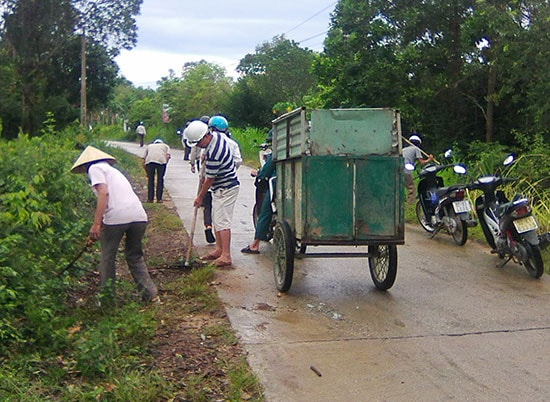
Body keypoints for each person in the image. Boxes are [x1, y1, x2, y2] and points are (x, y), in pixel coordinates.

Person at [70, 145, 159, 303]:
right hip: (138, 215)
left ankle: (107, 299)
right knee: (134, 256)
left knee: (108, 257)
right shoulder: (113, 171)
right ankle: (151, 295)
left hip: (117, 217)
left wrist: (97, 224)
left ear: (85, 165)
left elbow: (104, 193)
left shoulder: (95, 168)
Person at [184, 120, 240, 268]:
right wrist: (204, 156)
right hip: (219, 188)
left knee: (223, 222)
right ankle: (219, 250)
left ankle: (226, 256)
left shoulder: (215, 153)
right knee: (217, 219)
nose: (197, 146)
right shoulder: (216, 136)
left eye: (197, 143)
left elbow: (209, 179)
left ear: (204, 137)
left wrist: (200, 197)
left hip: (226, 187)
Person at [241, 151, 275, 254]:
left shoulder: (277, 152)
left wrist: (258, 173)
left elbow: (265, 172)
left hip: (277, 185)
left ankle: (255, 245)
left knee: (265, 212)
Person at [403, 134, 434, 203]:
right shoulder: (416, 149)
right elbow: (422, 162)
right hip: (406, 170)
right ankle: (410, 204)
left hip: (398, 169)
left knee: (400, 187)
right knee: (412, 188)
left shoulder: (404, 149)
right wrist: (430, 159)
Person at [143, 139, 171, 203]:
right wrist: (165, 164)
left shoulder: (149, 146)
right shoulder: (166, 146)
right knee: (160, 180)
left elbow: (143, 158)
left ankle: (150, 199)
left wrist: (146, 171)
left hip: (149, 162)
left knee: (150, 180)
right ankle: (159, 199)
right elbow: (168, 156)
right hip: (161, 162)